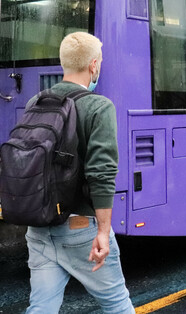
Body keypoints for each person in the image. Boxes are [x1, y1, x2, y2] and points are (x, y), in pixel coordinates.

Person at [25, 32, 134, 313]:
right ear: (94, 66)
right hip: (80, 228)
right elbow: (102, 172)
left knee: (41, 308)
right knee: (117, 305)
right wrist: (103, 230)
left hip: (39, 228)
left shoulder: (34, 103)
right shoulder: (98, 106)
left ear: (64, 63)